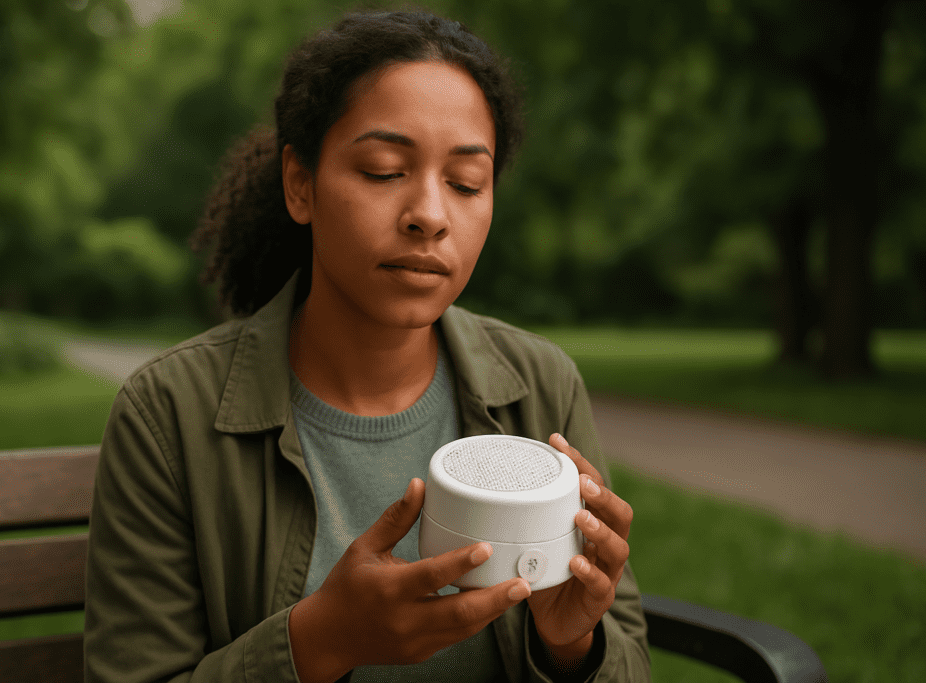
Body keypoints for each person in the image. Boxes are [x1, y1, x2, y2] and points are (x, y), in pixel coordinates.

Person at [84, 9, 650, 683]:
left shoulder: (540, 383)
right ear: (301, 183)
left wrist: (570, 645)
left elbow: (627, 659)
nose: (431, 215)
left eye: (467, 182)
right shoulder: (168, 413)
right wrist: (318, 641)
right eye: (384, 170)